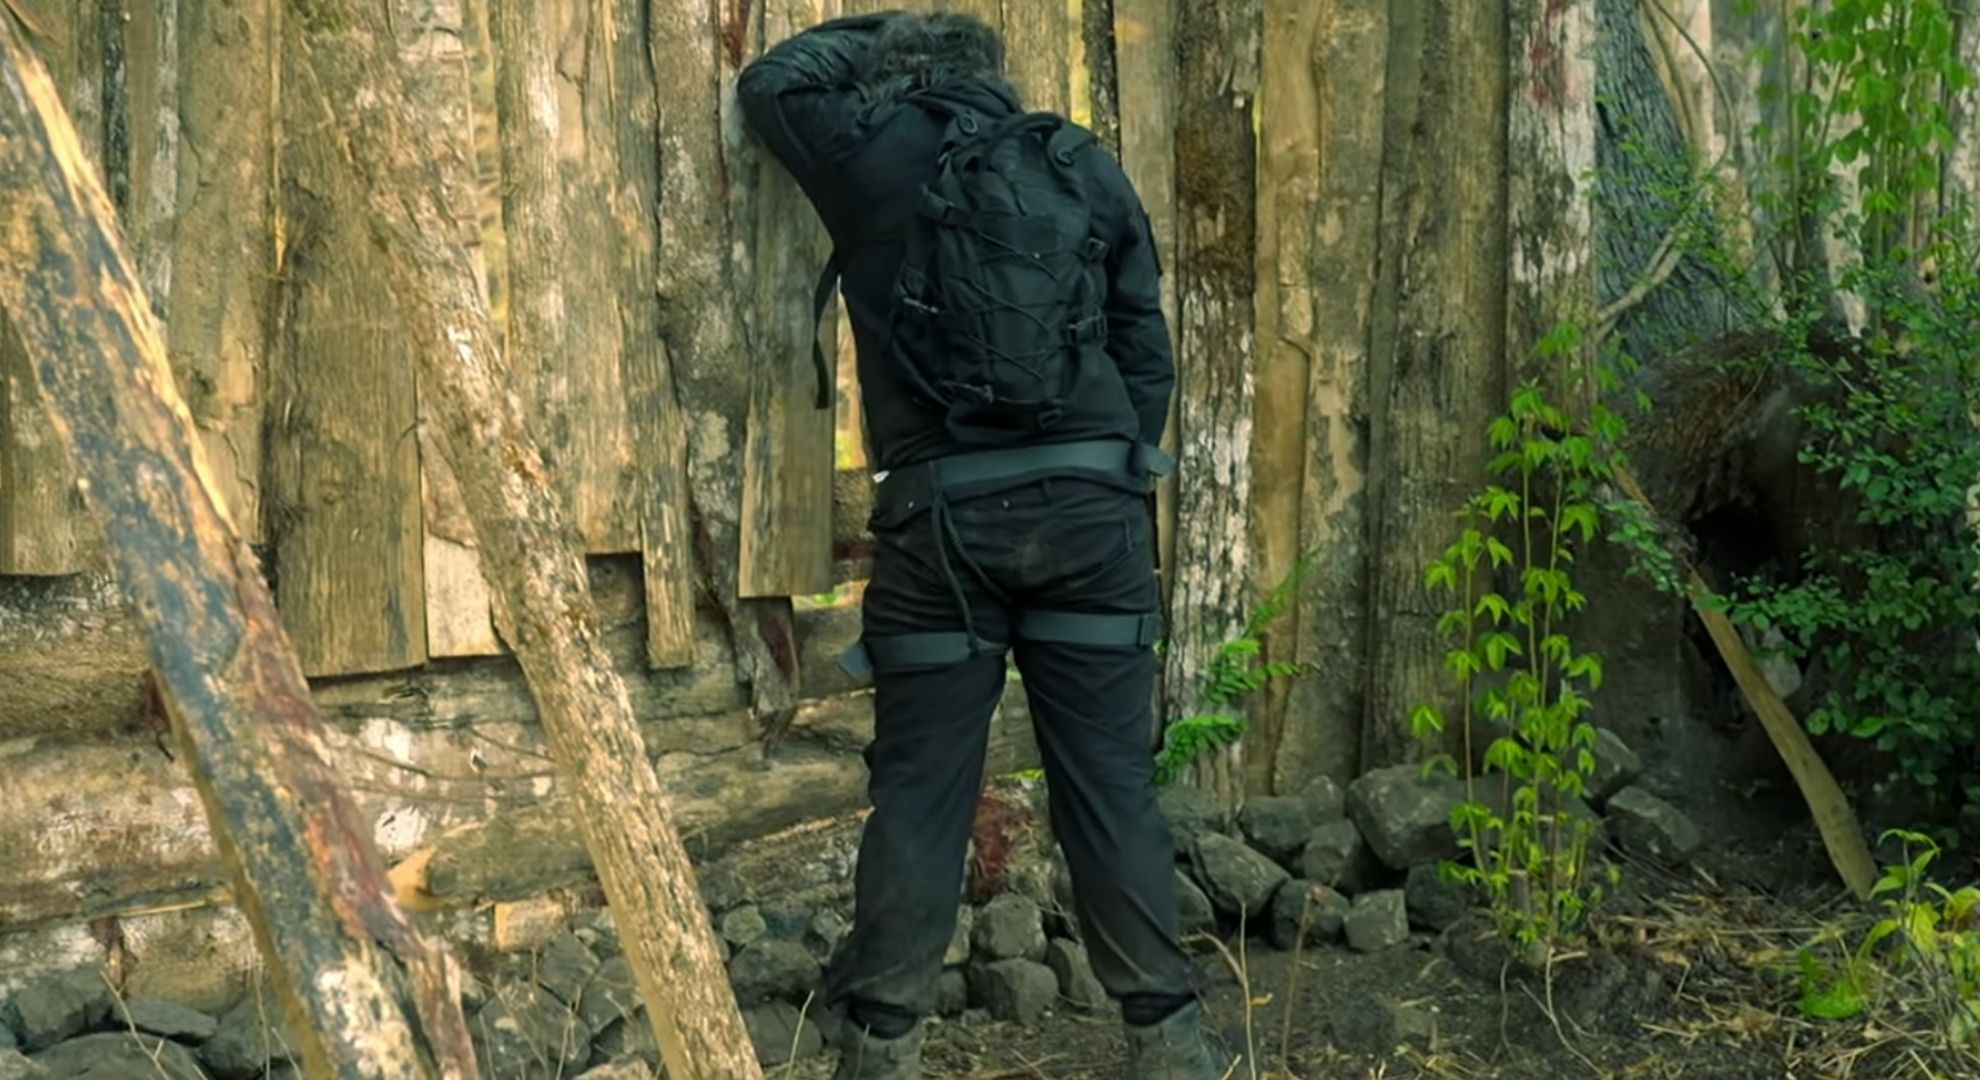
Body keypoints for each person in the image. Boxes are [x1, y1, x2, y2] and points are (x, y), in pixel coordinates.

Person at [737, 12, 1228, 1079]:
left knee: (921, 791)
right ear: (999, 78)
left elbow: (771, 83)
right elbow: (1146, 348)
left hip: (940, 528)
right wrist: (1098, 470)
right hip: (1094, 517)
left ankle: (880, 1050)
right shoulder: (1077, 161)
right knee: (1109, 784)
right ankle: (1171, 1043)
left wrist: (878, 36)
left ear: (896, 81)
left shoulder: (868, 159)